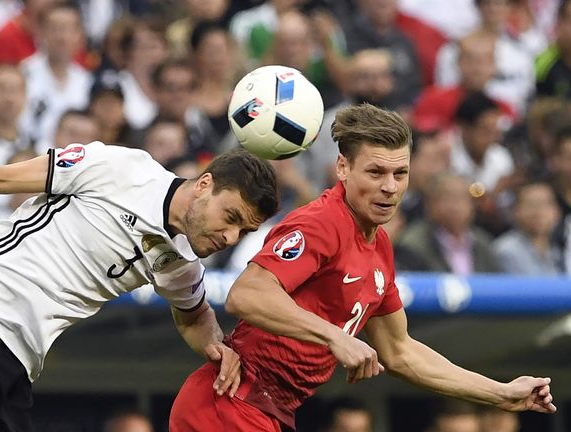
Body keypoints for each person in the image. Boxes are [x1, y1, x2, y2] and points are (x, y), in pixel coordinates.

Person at [0, 142, 278, 431]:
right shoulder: (122, 169)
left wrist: (219, 349)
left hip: (18, 366)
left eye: (244, 231)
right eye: (232, 217)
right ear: (204, 185)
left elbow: (195, 315)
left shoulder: (181, 266)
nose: (230, 237)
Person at [169, 103, 556, 432]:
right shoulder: (322, 222)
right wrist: (335, 337)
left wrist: (501, 393)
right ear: (342, 168)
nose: (390, 187)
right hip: (227, 403)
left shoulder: (379, 248)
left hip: (266, 411)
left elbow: (400, 351)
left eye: (399, 174)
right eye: (375, 173)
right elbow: (247, 293)